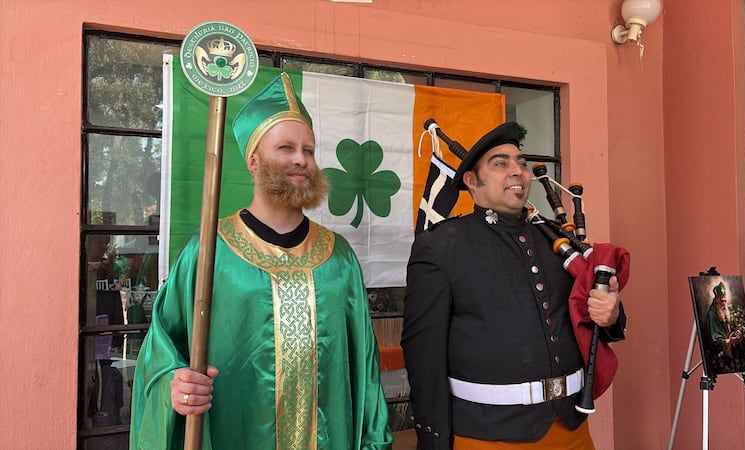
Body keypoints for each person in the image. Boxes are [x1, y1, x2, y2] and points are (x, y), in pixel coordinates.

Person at [129, 72, 393, 449]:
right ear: (254, 161)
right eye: (285, 148)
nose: (301, 159)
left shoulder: (338, 258)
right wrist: (176, 383)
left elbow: (364, 374)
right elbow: (161, 351)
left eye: (309, 149)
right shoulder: (209, 252)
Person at [401, 122, 627, 449]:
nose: (517, 171)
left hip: (571, 427)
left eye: (520, 163)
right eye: (500, 163)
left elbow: (589, 318)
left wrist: (612, 314)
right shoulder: (441, 246)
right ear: (470, 181)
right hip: (487, 435)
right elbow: (423, 356)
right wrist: (433, 441)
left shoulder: (557, 239)